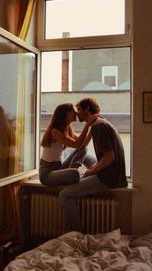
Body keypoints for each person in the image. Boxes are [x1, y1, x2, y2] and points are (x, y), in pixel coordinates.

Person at [59, 97, 128, 231]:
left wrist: (92, 171)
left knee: (64, 194)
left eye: (78, 109)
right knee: (82, 153)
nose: (76, 113)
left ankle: (75, 233)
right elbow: (82, 144)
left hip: (110, 177)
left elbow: (109, 156)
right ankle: (68, 174)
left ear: (87, 110)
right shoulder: (99, 122)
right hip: (112, 171)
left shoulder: (98, 127)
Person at [39, 103, 96, 187]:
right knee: (75, 173)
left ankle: (96, 171)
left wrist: (92, 127)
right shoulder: (55, 131)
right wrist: (87, 125)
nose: (76, 113)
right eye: (72, 111)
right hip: (47, 174)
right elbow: (77, 145)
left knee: (83, 150)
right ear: (65, 114)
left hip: (58, 168)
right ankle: (72, 176)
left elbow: (83, 144)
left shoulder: (67, 129)